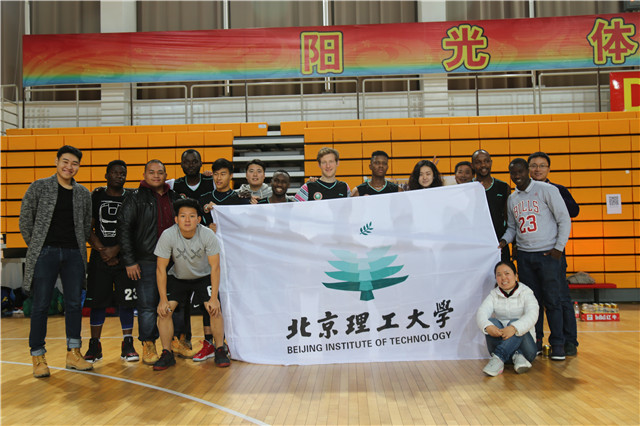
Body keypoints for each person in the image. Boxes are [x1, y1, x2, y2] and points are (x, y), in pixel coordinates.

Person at [19, 145, 93, 377]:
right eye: (65, 161)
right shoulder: (39, 187)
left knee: (74, 304)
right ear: (57, 161)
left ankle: (74, 353)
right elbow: (25, 220)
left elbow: (85, 225)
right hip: (46, 253)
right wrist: (37, 246)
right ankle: (38, 356)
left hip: (74, 254)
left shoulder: (83, 193)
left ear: (78, 167)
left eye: (74, 163)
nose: (69, 167)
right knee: (41, 304)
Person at [498, 158, 571, 361]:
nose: (517, 176)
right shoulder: (512, 198)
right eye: (513, 173)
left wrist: (558, 248)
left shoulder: (547, 190)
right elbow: (512, 228)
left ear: (527, 171)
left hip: (548, 255)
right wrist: (503, 242)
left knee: (553, 301)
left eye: (520, 171)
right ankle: (536, 341)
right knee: (532, 303)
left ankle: (558, 344)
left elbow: (564, 219)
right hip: (525, 256)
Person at [153, 198, 230, 370]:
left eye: (192, 216)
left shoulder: (207, 234)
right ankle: (167, 353)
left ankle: (220, 349)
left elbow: (215, 267)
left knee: (214, 309)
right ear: (176, 219)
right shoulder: (168, 235)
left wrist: (214, 298)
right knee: (164, 312)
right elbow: (160, 268)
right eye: (183, 216)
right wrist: (163, 299)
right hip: (178, 277)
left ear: (198, 219)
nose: (187, 220)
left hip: (203, 277)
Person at [118, 159, 179, 365]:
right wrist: (129, 261)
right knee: (146, 306)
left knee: (175, 304)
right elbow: (124, 229)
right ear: (144, 175)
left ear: (165, 175)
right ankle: (148, 343)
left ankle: (175, 341)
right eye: (151, 172)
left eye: (160, 172)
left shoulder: (174, 197)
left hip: (173, 261)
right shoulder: (134, 198)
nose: (156, 176)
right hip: (146, 260)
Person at [83, 160, 139, 363]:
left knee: (127, 302)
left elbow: (134, 230)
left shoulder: (131, 197)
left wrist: (116, 250)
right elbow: (88, 227)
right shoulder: (96, 196)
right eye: (115, 172)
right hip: (99, 259)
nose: (119, 176)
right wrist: (103, 251)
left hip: (125, 259)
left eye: (122, 173)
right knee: (97, 302)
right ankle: (94, 345)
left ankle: (128, 343)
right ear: (106, 175)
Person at [528, 151, 580, 356]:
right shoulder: (522, 191)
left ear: (549, 169)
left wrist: (552, 197)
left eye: (542, 165)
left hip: (553, 253)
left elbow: (574, 211)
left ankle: (569, 341)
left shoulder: (557, 189)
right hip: (530, 254)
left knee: (559, 297)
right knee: (535, 299)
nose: (537, 169)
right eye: (534, 165)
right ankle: (536, 340)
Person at [170, 149, 215, 358]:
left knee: (207, 299)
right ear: (181, 164)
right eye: (186, 162)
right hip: (183, 248)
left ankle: (211, 341)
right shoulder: (174, 185)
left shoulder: (210, 182)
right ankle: (183, 338)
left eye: (194, 161)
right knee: (183, 300)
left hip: (206, 247)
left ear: (200, 163)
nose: (190, 165)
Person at [476, 261, 539, 376]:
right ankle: (513, 357)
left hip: (527, 352)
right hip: (504, 349)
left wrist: (514, 328)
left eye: (507, 273)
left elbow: (533, 314)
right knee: (491, 322)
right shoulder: (493, 294)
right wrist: (487, 326)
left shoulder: (526, 292)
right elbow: (481, 313)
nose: (503, 278)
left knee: (515, 322)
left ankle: (499, 358)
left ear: (515, 275)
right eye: (499, 275)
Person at [471, 150, 511, 262]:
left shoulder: (503, 187)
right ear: (472, 165)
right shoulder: (467, 188)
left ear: (491, 162)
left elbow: (509, 219)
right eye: (478, 162)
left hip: (499, 244)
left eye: (486, 161)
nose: (483, 165)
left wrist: (510, 242)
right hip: (475, 245)